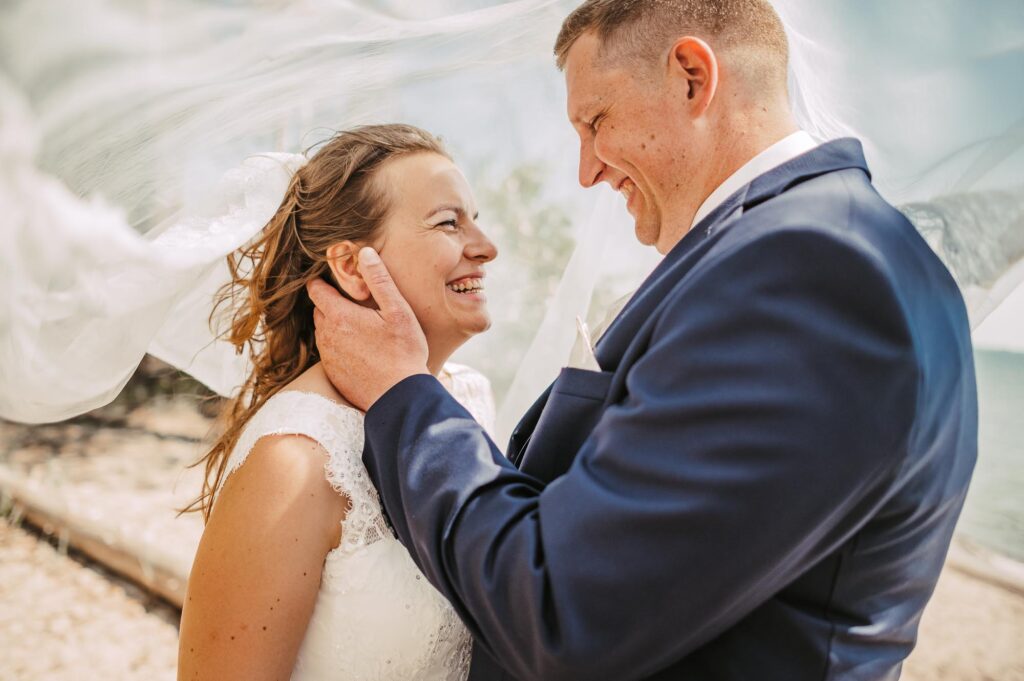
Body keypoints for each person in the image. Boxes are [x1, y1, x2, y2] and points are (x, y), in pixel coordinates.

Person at [305, 1, 978, 680]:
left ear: (691, 76)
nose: (587, 171)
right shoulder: (819, 247)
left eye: (595, 122)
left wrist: (403, 393)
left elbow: (563, 611)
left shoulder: (813, 269)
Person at [177, 124, 498, 681]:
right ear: (352, 267)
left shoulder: (469, 396)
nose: (486, 247)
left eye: (475, 218)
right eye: (449, 222)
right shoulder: (296, 459)